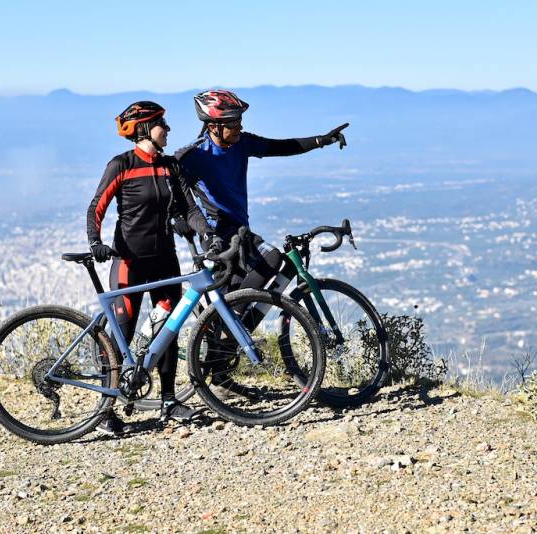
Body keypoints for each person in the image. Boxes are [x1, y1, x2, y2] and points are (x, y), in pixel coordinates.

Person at [175, 89, 348, 397]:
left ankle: (227, 350)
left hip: (241, 231)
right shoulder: (194, 156)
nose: (239, 126)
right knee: (242, 291)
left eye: (240, 120)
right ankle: (221, 358)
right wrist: (178, 219)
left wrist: (320, 140)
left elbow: (280, 147)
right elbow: (169, 183)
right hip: (218, 240)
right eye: (233, 122)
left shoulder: (241, 144)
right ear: (213, 125)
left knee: (270, 266)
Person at [87, 101, 214, 436]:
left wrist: (207, 235)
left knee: (169, 330)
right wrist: (95, 242)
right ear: (145, 129)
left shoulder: (170, 166)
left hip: (165, 260)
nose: (168, 130)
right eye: (163, 125)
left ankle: (169, 401)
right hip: (129, 262)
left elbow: (190, 208)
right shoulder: (122, 165)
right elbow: (96, 207)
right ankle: (105, 412)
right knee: (121, 335)